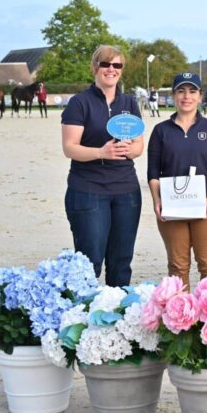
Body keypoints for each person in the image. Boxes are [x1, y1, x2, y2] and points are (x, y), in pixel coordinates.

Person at [60, 45, 144, 287]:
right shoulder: (79, 103)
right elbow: (70, 147)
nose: (111, 69)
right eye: (105, 64)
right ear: (95, 67)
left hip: (126, 190)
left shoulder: (130, 103)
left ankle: (116, 320)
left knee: (121, 262)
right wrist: (101, 152)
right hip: (89, 189)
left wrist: (129, 150)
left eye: (117, 65)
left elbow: (138, 147)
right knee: (90, 261)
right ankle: (83, 319)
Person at [147, 73, 207, 291]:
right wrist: (157, 200)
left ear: (200, 96)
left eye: (192, 91)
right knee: (177, 267)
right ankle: (181, 322)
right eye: (181, 91)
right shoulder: (161, 130)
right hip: (172, 207)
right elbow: (153, 171)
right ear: (174, 95)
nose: (186, 96)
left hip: (206, 207)